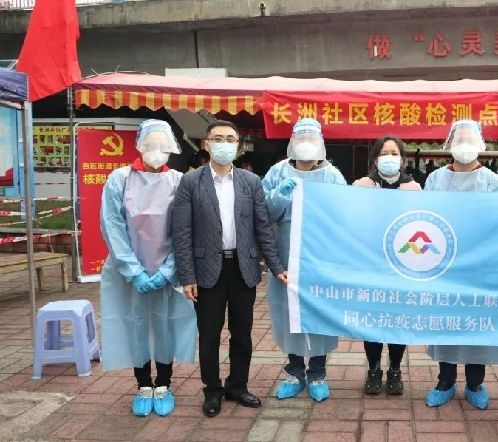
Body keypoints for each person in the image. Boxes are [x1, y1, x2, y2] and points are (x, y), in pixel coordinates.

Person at [171, 120, 287, 418]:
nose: (224, 144)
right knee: (209, 335)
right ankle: (212, 389)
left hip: (242, 268)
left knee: (242, 333)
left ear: (239, 145)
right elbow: (181, 232)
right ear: (206, 144)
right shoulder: (191, 182)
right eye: (218, 138)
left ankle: (238, 385)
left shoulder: (251, 182)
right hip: (206, 270)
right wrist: (187, 276)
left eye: (230, 139)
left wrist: (276, 266)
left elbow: (263, 227)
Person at [99, 119, 196, 417]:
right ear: (139, 146)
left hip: (168, 271)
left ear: (171, 148)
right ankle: (143, 384)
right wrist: (133, 271)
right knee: (135, 324)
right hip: (129, 271)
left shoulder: (179, 181)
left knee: (166, 325)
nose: (156, 150)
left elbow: (186, 229)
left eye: (162, 145)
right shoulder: (119, 179)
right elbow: (112, 226)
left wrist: (169, 269)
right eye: (150, 144)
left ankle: (164, 383)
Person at [423, 119, 498, 410]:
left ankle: (475, 382)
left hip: (479, 268)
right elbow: (425, 217)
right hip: (444, 265)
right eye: (458, 139)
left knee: (475, 324)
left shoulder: (493, 182)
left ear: (480, 143)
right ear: (450, 143)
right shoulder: (435, 179)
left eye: (469, 139)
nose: (464, 145)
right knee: (446, 322)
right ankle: (445, 381)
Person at [261, 118, 346, 402]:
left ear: (321, 143)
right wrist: (279, 195)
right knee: (289, 312)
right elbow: (263, 214)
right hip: (286, 253)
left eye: (312, 138)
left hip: (320, 253)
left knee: (318, 311)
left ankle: (318, 372)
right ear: (292, 142)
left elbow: (342, 217)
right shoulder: (277, 172)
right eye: (301, 138)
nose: (306, 144)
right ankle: (295, 371)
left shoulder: (332, 175)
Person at [352, 136, 420, 395]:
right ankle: (373, 369)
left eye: (394, 154)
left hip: (402, 265)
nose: (389, 158)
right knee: (372, 320)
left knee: (397, 320)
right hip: (369, 264)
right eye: (384, 153)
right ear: (375, 159)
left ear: (402, 160)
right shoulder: (361, 186)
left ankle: (395, 369)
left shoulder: (414, 188)